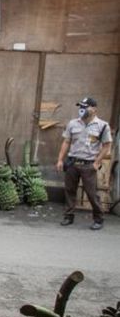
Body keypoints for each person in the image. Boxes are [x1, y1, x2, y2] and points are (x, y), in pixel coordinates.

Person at [56, 97, 112, 230]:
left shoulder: (102, 126)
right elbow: (66, 142)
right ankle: (68, 216)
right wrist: (60, 160)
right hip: (72, 163)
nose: (82, 109)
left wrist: (97, 162)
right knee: (70, 191)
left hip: (89, 164)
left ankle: (98, 219)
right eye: (80, 106)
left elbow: (107, 145)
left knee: (91, 193)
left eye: (85, 106)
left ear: (94, 109)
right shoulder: (73, 123)